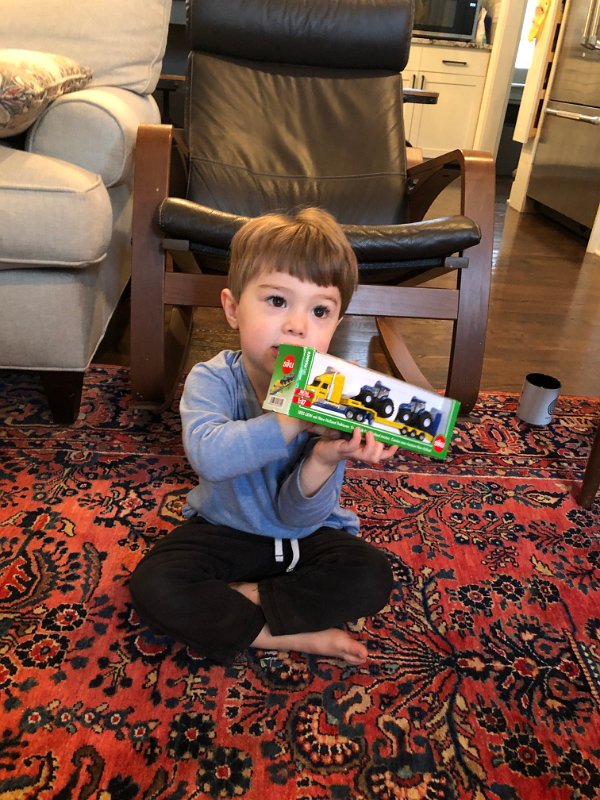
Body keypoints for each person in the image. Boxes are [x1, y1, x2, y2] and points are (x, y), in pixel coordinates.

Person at [129, 208, 398, 666]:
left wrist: (325, 458)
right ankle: (283, 634)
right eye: (277, 301)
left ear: (336, 324)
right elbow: (211, 458)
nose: (298, 325)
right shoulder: (212, 379)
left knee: (371, 576)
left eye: (319, 310)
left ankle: (244, 606)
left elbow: (297, 515)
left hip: (307, 537)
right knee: (154, 583)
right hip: (224, 530)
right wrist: (291, 419)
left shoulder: (334, 394)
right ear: (233, 308)